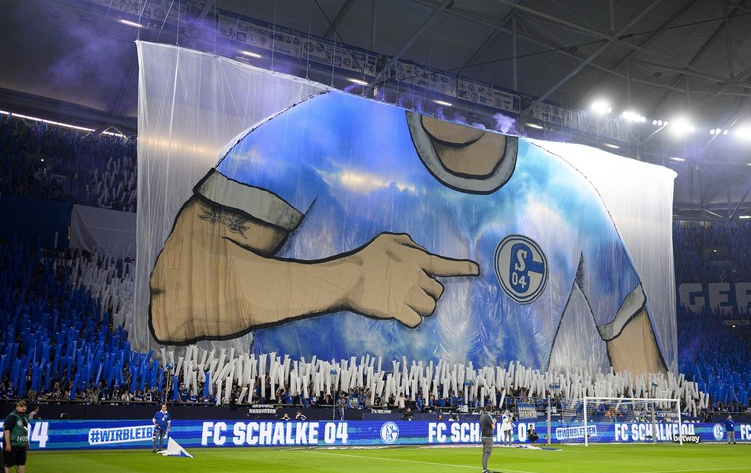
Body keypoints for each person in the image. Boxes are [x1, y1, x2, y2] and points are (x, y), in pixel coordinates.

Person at [149, 91, 667, 375]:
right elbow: (174, 298)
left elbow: (644, 372)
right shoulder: (325, 128)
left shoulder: (569, 196)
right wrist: (347, 280)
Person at [3, 400, 28, 473]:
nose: (23, 408)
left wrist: (26, 442)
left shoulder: (25, 417)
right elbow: (7, 431)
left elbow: (24, 431)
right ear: (17, 407)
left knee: (21, 463)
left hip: (21, 444)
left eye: (24, 406)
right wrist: (8, 444)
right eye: (21, 406)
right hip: (13, 444)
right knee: (7, 464)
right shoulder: (12, 417)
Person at [480, 406, 494, 473]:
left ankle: (484, 468)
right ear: (491, 409)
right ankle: (484, 469)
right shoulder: (488, 416)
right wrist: (494, 422)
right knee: (487, 453)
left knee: (484, 453)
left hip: (483, 436)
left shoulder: (482, 416)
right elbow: (492, 426)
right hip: (488, 437)